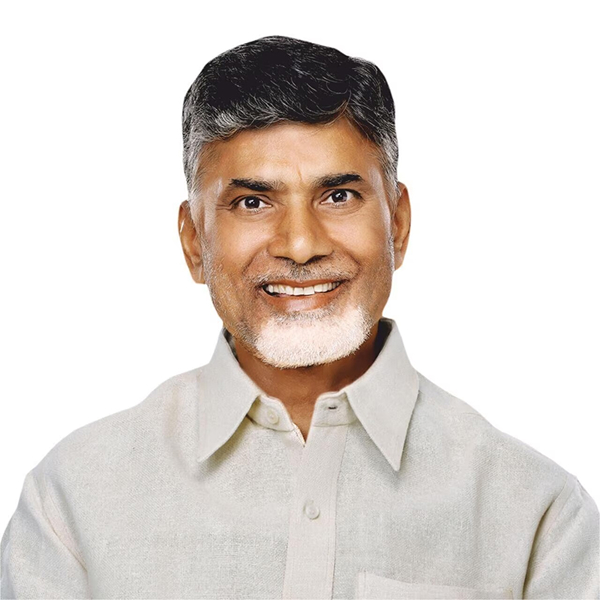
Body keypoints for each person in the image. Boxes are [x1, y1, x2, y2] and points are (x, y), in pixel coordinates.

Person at [1, 35, 598, 599]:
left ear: (398, 224)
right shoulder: (71, 506)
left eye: (338, 196)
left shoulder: (541, 521)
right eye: (252, 202)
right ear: (193, 242)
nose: (301, 245)